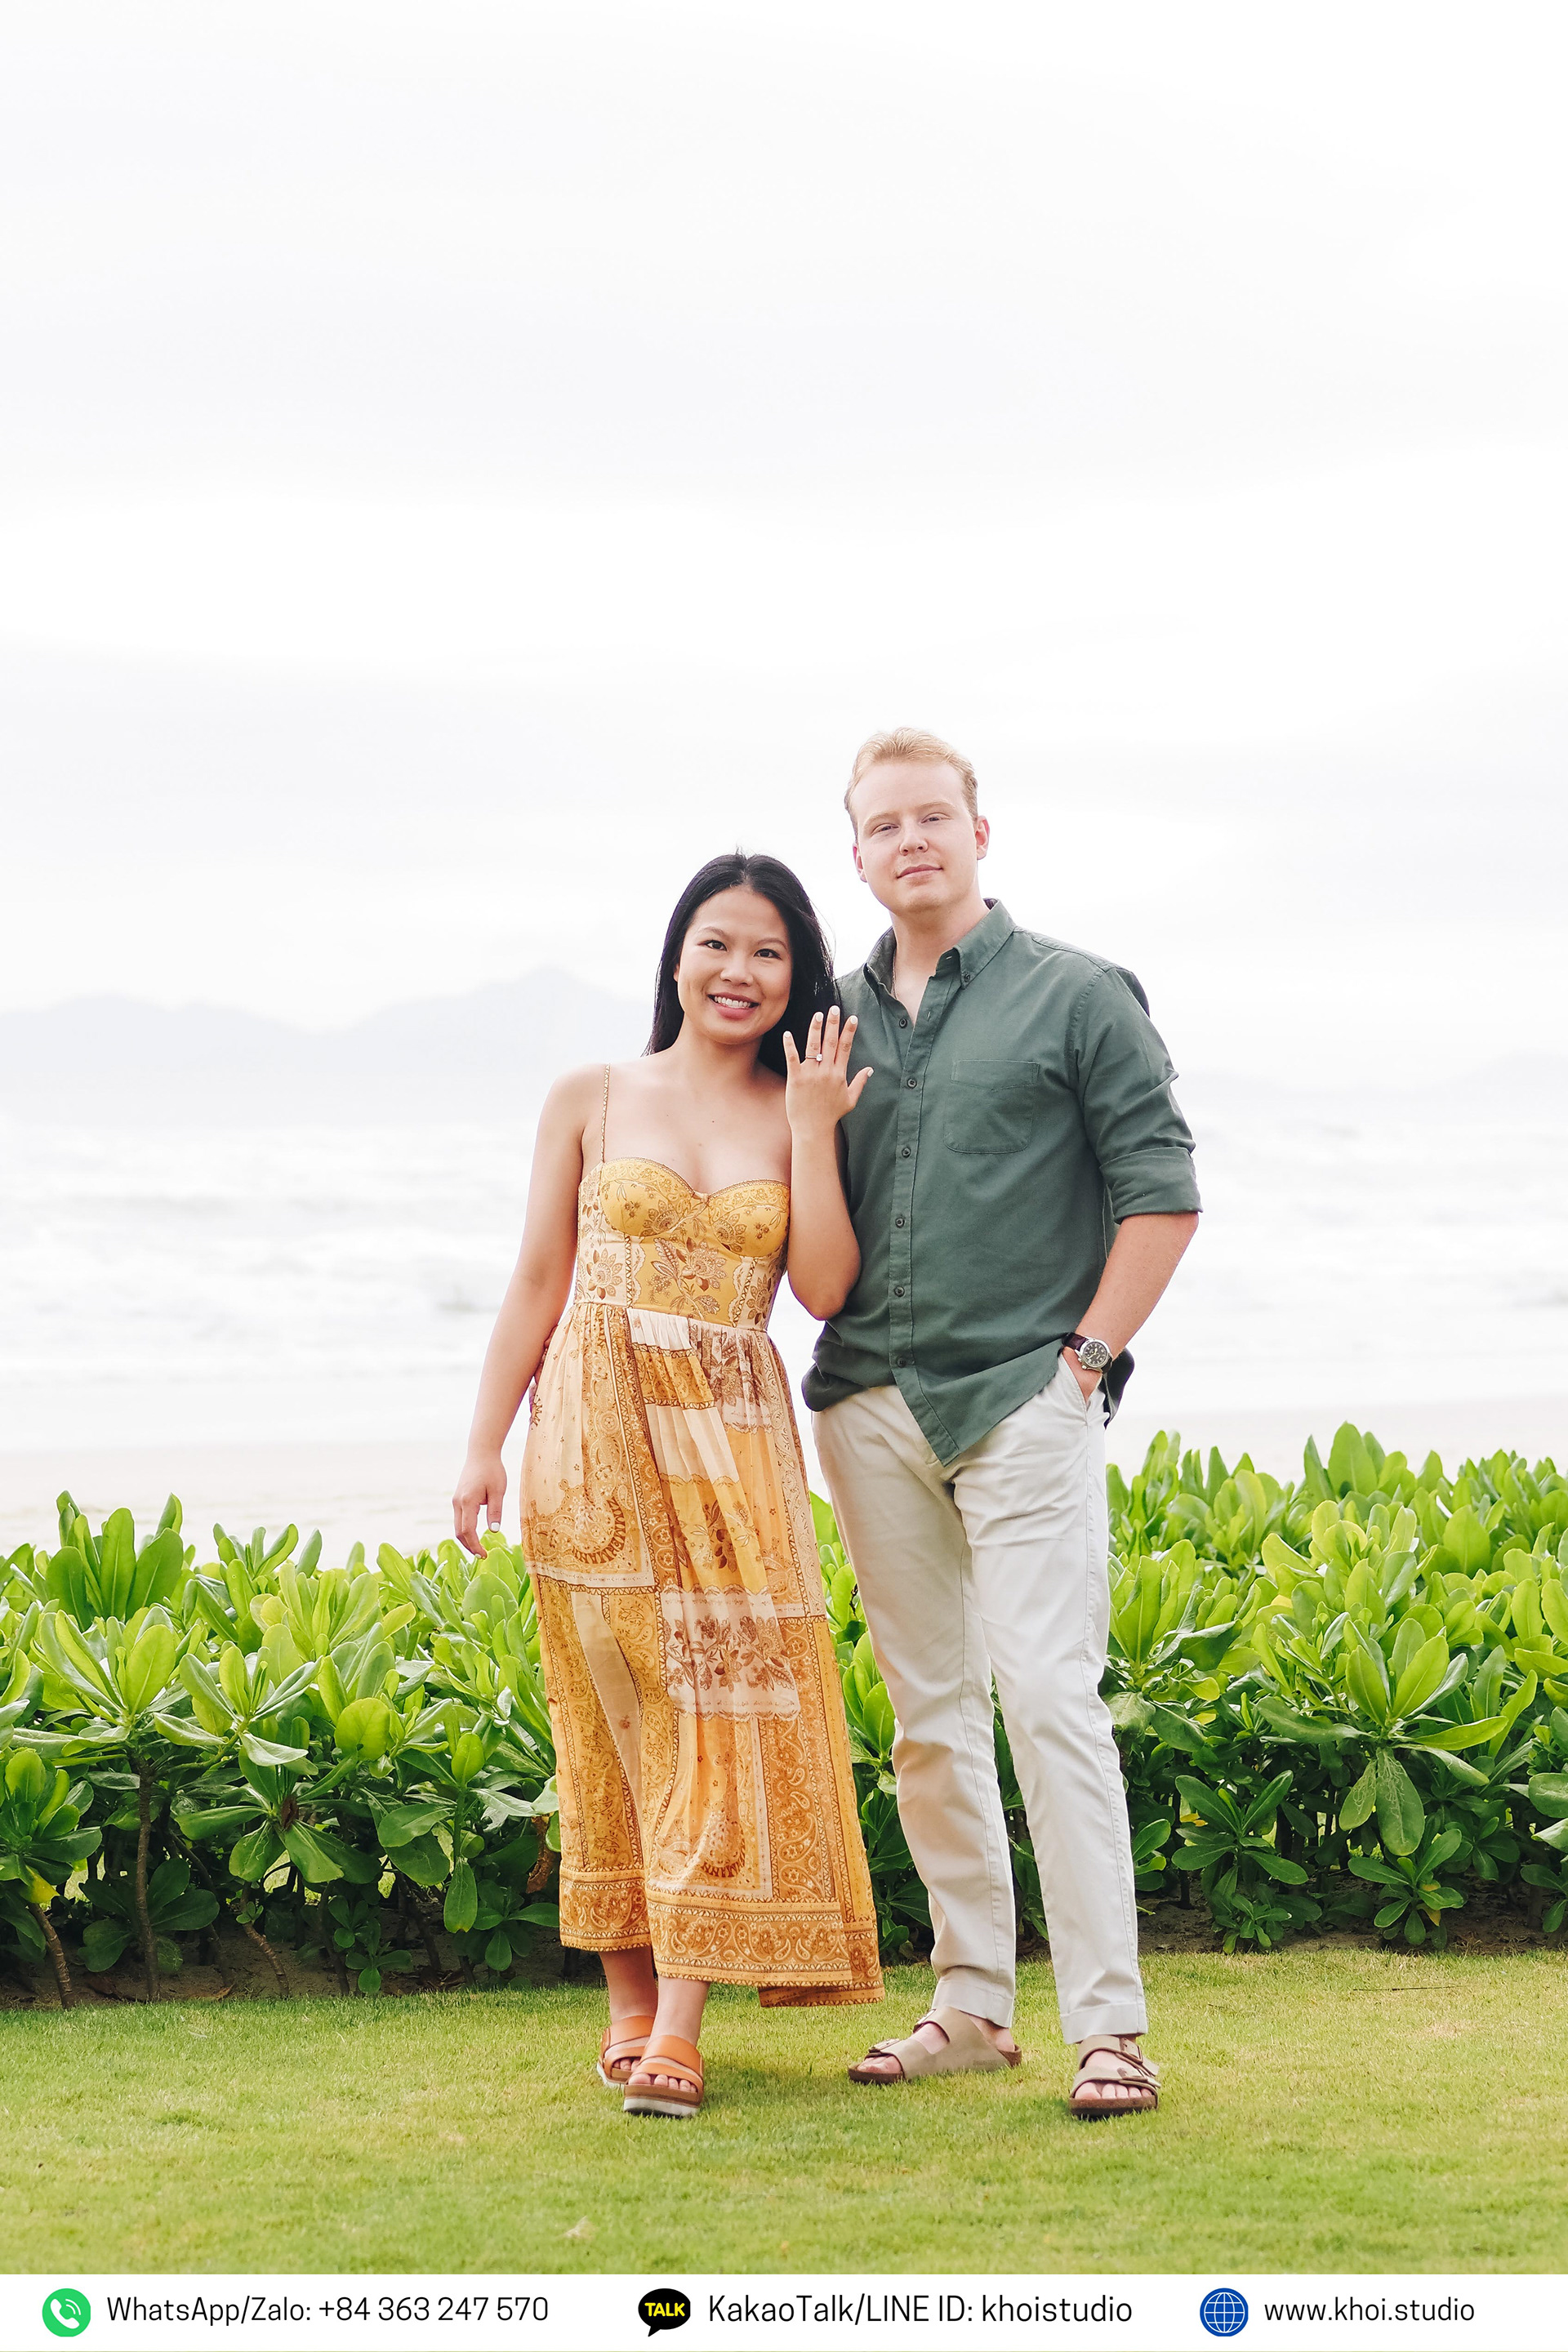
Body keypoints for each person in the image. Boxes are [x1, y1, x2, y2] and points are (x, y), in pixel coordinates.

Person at [804, 728, 1200, 2118]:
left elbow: (1162, 1192)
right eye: (882, 825)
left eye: (933, 817)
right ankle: (969, 2002)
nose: (909, 840)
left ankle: (1112, 2029)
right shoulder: (826, 1023)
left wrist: (1085, 1361)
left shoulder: (1080, 996)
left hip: (1026, 1398)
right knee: (928, 1717)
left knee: (1048, 1697)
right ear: (853, 853)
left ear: (981, 831)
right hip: (868, 1405)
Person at [454, 852, 882, 2121]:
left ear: (796, 974)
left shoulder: (794, 1107)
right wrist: (481, 1445)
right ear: (676, 956)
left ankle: (684, 2025)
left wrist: (813, 1132)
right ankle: (630, 2001)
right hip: (589, 1429)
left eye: (766, 952)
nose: (738, 972)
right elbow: (538, 1277)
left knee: (721, 1719)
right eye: (716, 943)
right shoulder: (592, 1093)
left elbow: (824, 1291)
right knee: (611, 1718)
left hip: (733, 1451)